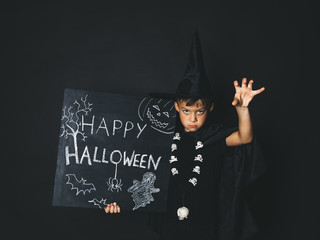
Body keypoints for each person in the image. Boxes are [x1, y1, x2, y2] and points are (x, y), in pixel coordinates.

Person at [106, 30, 266, 240]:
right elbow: (135, 167)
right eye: (186, 111)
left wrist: (243, 109)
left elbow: (244, 138)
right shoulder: (162, 138)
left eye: (199, 112)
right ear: (176, 107)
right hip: (171, 227)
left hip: (206, 227)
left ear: (210, 109)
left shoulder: (214, 138)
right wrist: (115, 199)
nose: (193, 119)